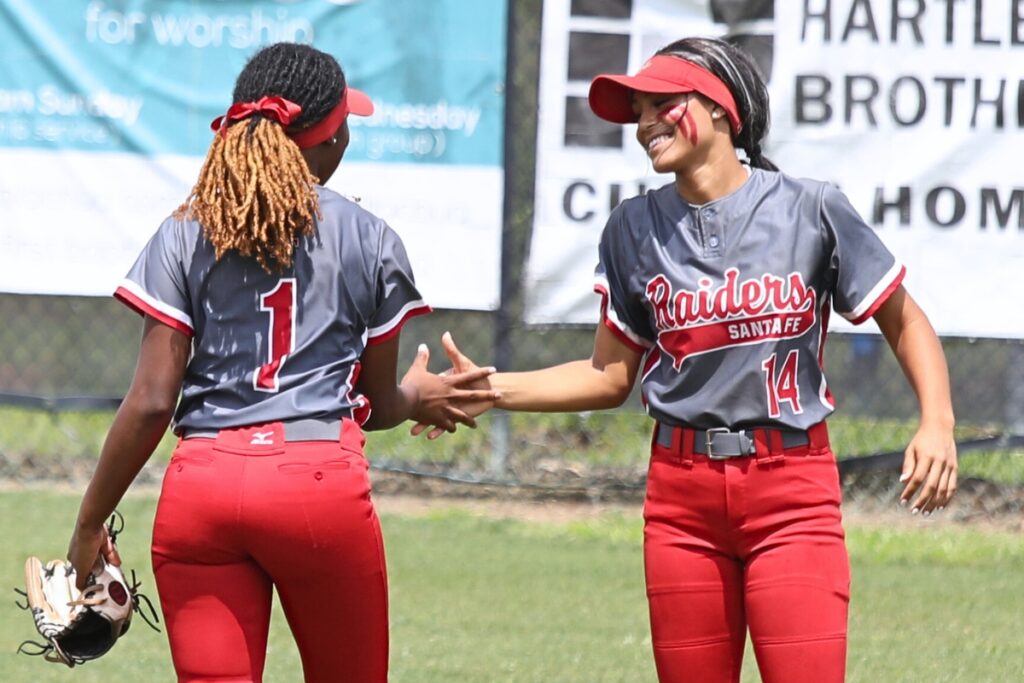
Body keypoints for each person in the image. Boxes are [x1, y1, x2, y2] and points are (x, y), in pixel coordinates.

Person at [431, 37, 958, 683]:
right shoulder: (633, 227)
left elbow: (903, 318)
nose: (646, 122)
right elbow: (608, 375)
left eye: (662, 103)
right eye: (639, 111)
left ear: (720, 107)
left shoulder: (809, 208)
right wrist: (490, 388)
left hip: (792, 488)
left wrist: (937, 421)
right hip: (681, 500)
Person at [65, 42, 497, 683]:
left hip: (202, 488)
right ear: (328, 139)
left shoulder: (187, 228)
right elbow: (375, 405)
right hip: (315, 483)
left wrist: (88, 525)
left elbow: (154, 400)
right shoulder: (370, 237)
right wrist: (421, 395)